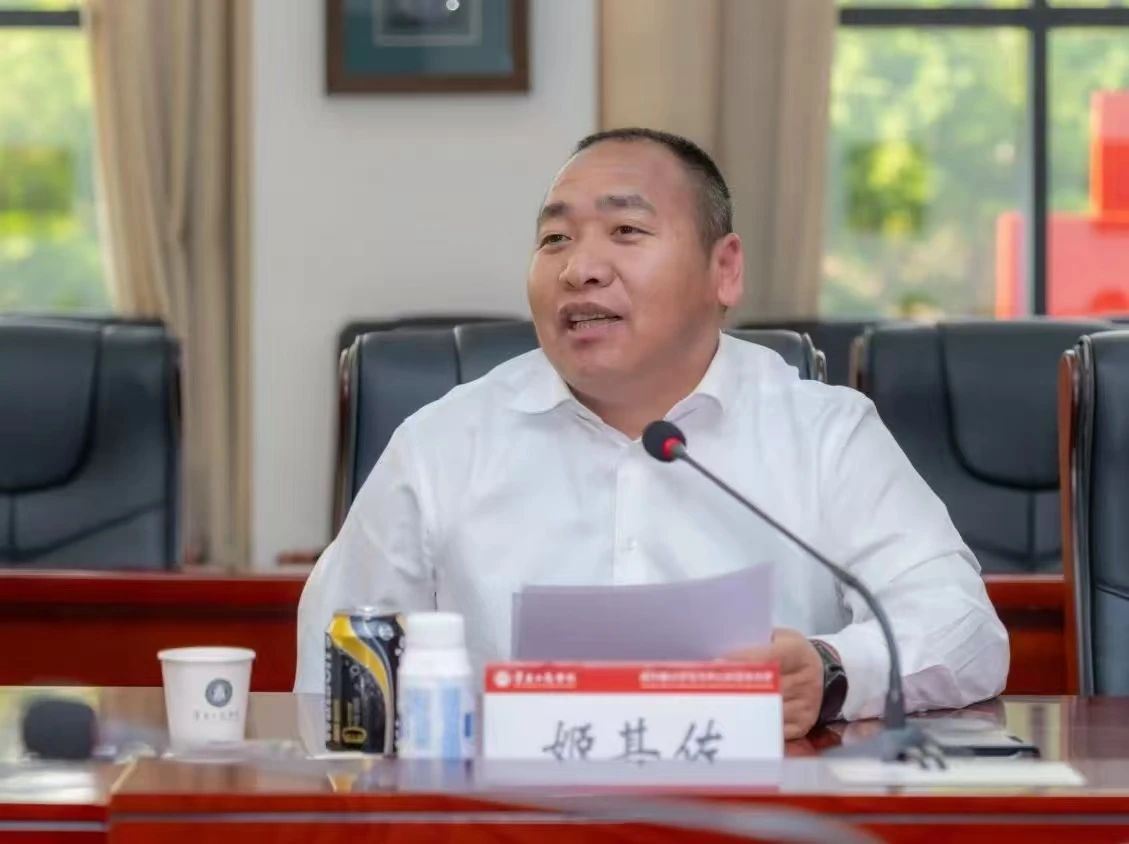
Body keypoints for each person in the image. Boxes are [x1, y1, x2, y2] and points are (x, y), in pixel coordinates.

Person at [295, 127, 1008, 738]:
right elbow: (338, 672)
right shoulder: (441, 446)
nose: (579, 269)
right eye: (554, 239)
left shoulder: (824, 433)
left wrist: (829, 670)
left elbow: (964, 628)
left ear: (724, 269)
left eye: (626, 232)